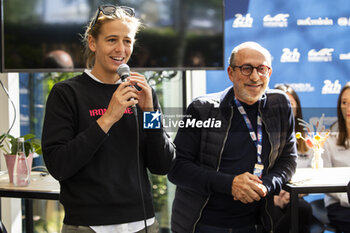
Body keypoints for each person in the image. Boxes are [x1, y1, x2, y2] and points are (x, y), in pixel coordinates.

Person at [42, 5, 175, 233]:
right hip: (87, 224)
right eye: (112, 40)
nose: (121, 49)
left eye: (127, 41)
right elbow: (59, 166)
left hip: (142, 223)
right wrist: (108, 118)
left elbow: (162, 166)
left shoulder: (143, 92)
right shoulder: (67, 93)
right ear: (93, 43)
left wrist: (150, 113)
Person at [168, 41, 297, 233]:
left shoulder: (280, 105)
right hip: (203, 224)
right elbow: (177, 168)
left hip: (258, 224)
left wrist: (266, 186)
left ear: (269, 73)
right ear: (231, 73)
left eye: (262, 69)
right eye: (246, 69)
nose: (255, 76)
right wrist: (230, 184)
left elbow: (288, 160)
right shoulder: (201, 109)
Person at [273, 84, 314, 233]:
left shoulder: (306, 141)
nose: (286, 109)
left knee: (303, 209)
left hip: (296, 197)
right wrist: (275, 196)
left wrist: (297, 193)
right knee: (271, 215)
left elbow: (313, 176)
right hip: (269, 197)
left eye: (290, 104)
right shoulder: (262, 138)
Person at [323, 82, 350, 233]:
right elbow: (324, 178)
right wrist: (346, 198)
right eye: (344, 102)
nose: (348, 108)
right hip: (338, 203)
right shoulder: (329, 138)